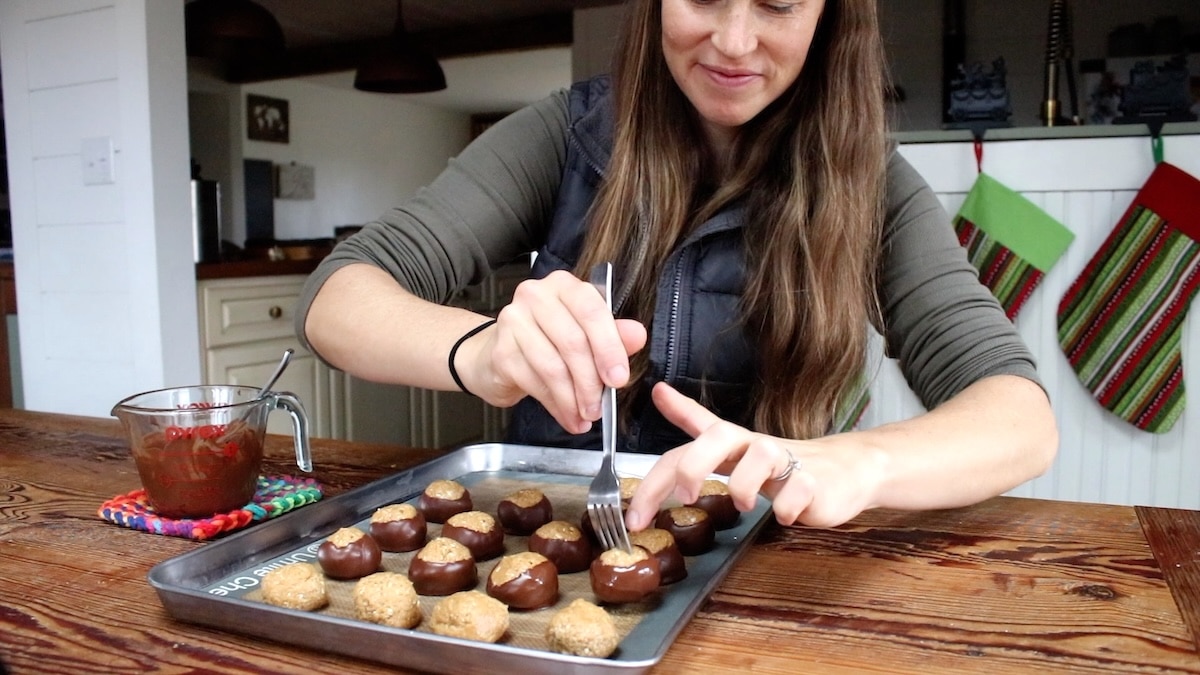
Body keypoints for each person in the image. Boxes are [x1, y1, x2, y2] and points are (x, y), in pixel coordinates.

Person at [296, 0, 1058, 532]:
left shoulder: (876, 186)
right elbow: (337, 297)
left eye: (778, 2)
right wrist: (483, 351)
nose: (732, 40)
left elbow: (1020, 420)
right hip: (548, 555)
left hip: (764, 573)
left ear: (829, 16)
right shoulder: (567, 135)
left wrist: (854, 463)